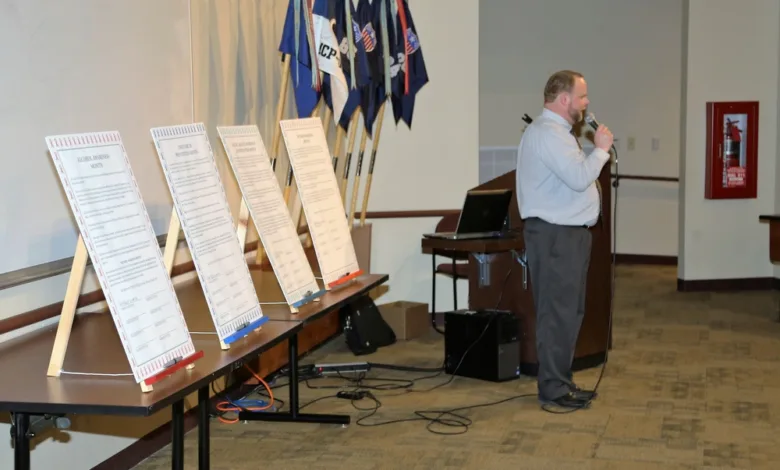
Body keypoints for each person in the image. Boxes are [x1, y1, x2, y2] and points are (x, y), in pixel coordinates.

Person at [516, 70, 613, 409]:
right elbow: (578, 177)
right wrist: (600, 151)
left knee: (569, 313)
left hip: (565, 236)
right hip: (556, 236)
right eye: (582, 96)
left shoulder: (556, 133)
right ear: (564, 99)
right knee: (558, 314)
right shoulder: (548, 133)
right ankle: (554, 388)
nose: (587, 103)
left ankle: (561, 381)